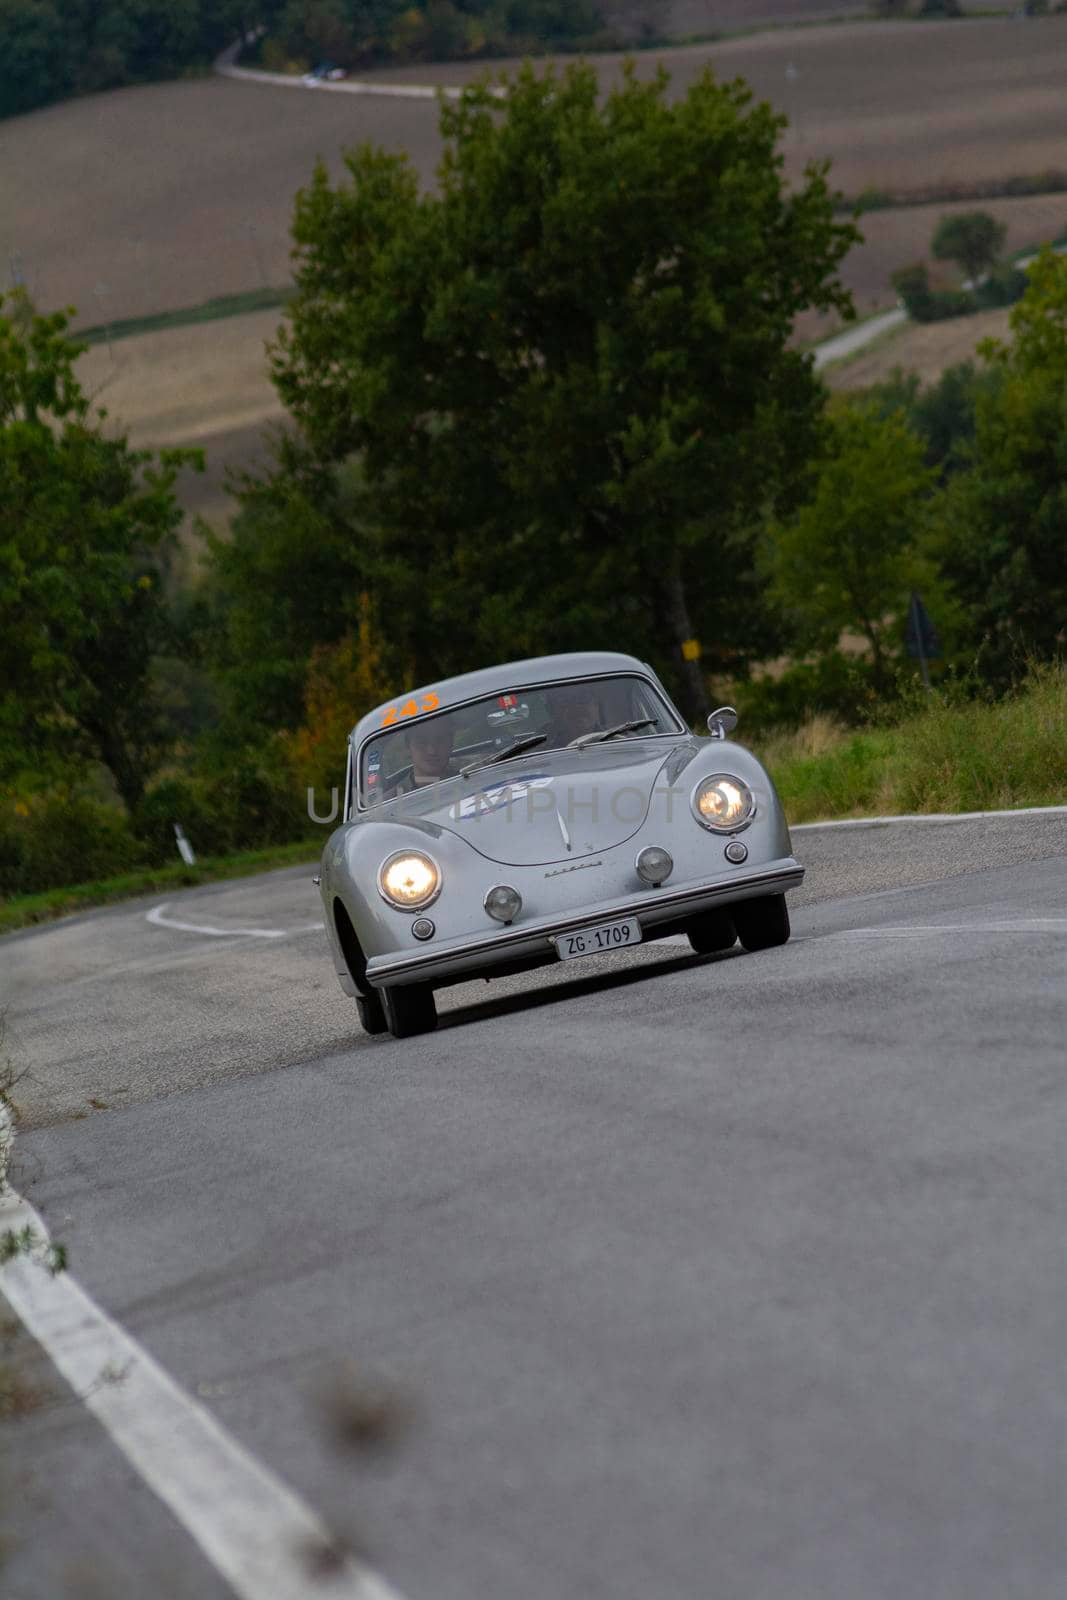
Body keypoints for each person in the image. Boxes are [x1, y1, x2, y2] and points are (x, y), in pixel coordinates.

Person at [402, 719, 455, 790]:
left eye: (439, 741)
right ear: (408, 748)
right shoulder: (393, 800)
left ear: (451, 743)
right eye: (422, 742)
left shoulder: (471, 776)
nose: (432, 751)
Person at [545, 683, 600, 749]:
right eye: (565, 701)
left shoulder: (613, 737)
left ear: (596, 705)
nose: (576, 707)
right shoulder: (541, 747)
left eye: (583, 698)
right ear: (552, 711)